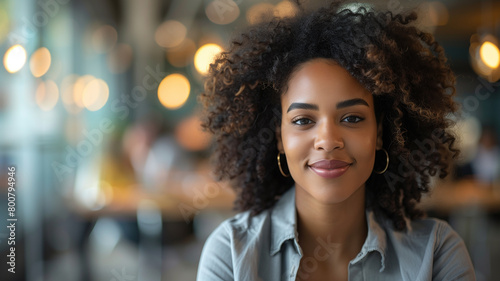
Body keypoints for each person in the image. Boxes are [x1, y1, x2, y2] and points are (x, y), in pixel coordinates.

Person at [196, 1, 476, 280]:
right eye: (303, 120)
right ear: (279, 138)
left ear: (379, 133)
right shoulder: (231, 254)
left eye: (352, 118)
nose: (328, 141)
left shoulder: (436, 254)